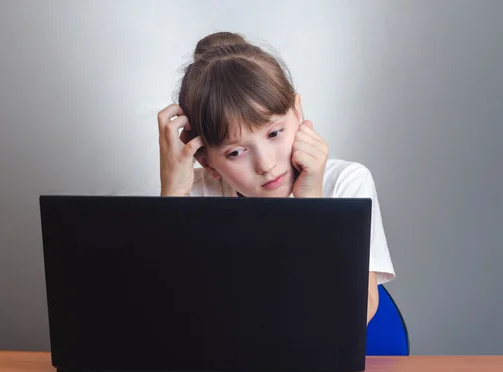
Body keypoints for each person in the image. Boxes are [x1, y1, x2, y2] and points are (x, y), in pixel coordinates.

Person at [157, 31, 395, 324]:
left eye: (274, 133)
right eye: (235, 152)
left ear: (298, 112)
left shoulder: (345, 183)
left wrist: (310, 205)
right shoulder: (189, 197)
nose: (266, 165)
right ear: (207, 162)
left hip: (314, 362)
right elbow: (163, 316)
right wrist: (171, 197)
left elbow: (356, 314)